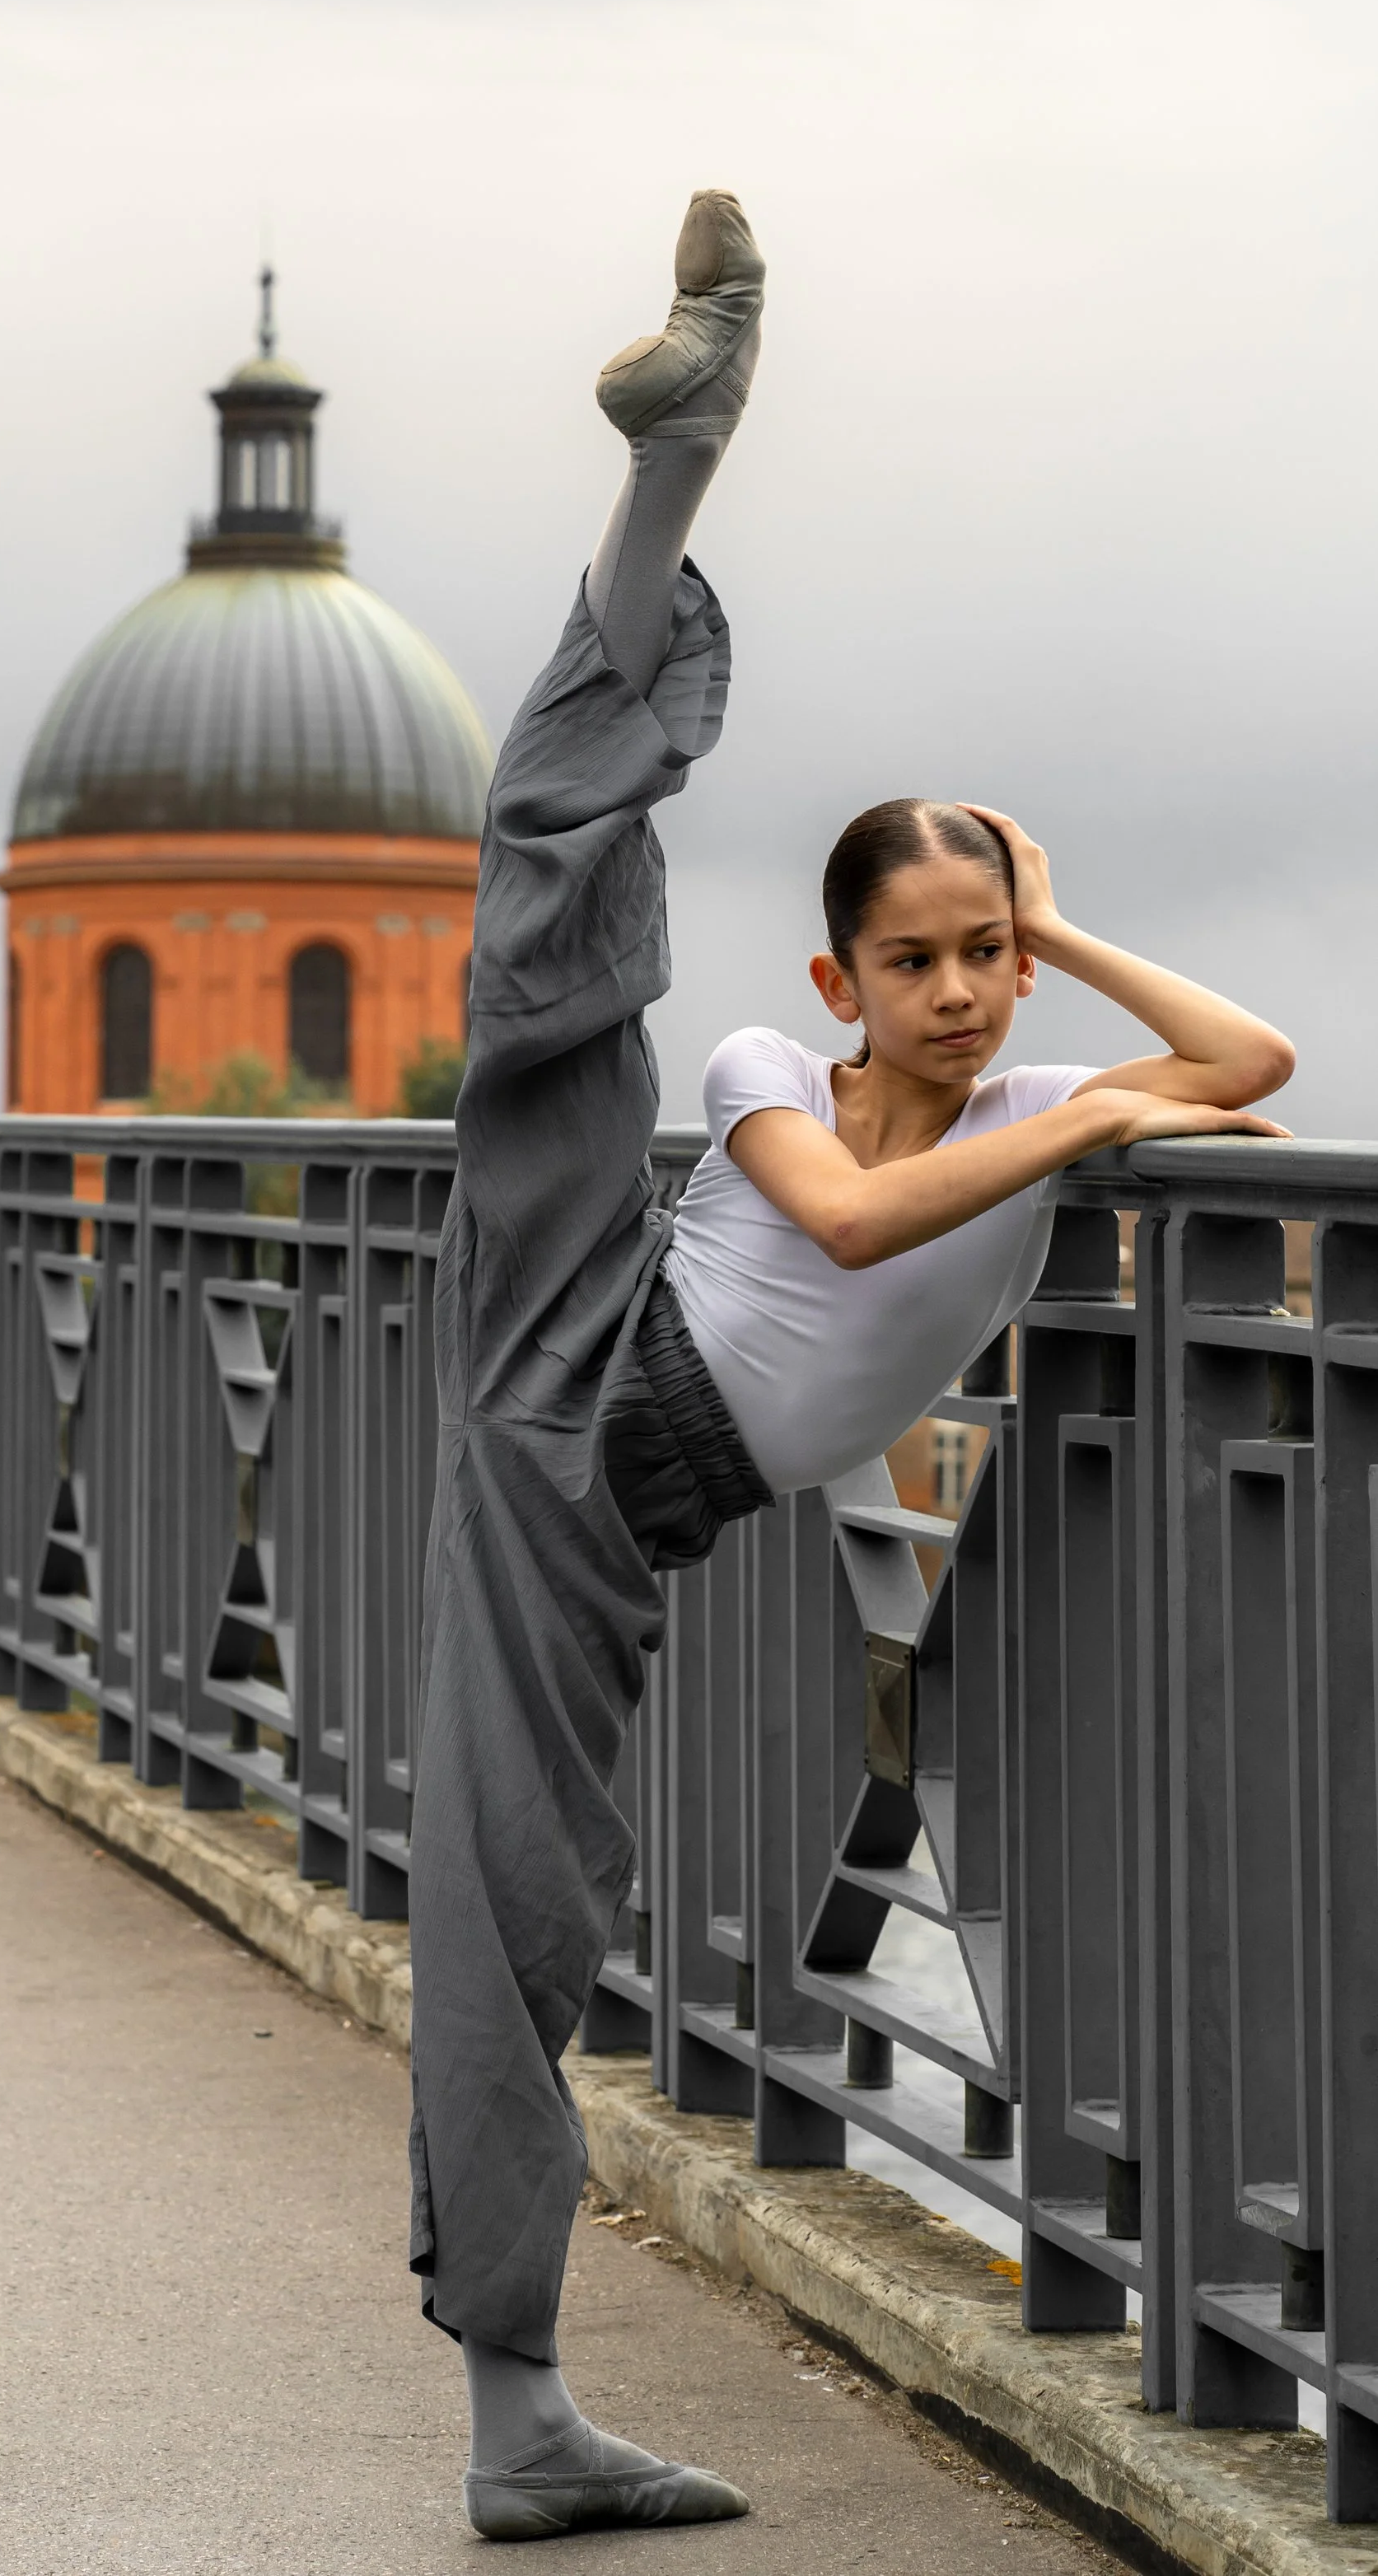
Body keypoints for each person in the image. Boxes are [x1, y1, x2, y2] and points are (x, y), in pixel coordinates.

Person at [408, 186, 1294, 2544]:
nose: (966, 990)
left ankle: (517, 2424)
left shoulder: (1023, 1081)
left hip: (604, 1466)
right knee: (552, 933)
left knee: (530, 1876)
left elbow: (1255, 1054)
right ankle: (668, 467)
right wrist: (1093, 1105)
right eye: (919, 954)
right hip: (589, 1376)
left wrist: (1062, 921)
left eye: (989, 951)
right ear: (835, 981)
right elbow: (844, 1221)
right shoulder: (762, 1064)